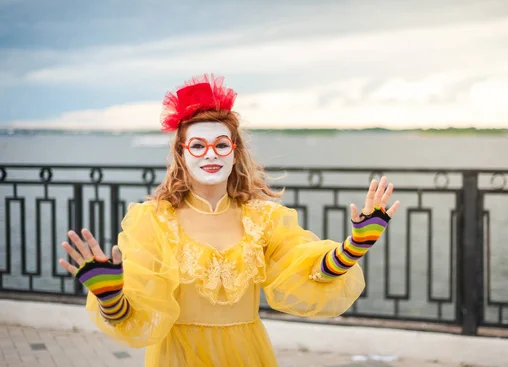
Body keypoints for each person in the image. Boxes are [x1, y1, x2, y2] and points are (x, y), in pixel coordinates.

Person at [58, 74, 400, 366]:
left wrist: (355, 246)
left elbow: (309, 272)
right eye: (197, 145)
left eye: (221, 144)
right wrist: (108, 296)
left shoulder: (263, 218)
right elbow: (133, 315)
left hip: (248, 353)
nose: (210, 154)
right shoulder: (154, 220)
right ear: (181, 154)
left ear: (235, 151)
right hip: (177, 356)